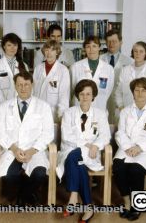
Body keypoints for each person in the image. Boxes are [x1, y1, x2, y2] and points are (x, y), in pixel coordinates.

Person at [56, 79, 110, 223]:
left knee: (76, 159)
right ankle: (88, 206)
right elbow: (67, 136)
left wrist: (96, 145)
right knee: (75, 157)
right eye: (82, 94)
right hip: (71, 149)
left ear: (93, 96)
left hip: (91, 154)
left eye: (88, 94)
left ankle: (73, 198)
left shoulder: (100, 114)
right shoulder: (69, 113)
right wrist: (87, 145)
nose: (85, 97)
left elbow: (105, 135)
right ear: (77, 96)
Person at [0, 72, 54, 205]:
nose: (23, 88)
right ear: (15, 86)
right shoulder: (5, 107)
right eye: (20, 85)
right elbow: (0, 132)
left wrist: (32, 150)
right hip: (13, 150)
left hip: (34, 150)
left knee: (40, 174)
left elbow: (48, 133)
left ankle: (24, 194)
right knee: (10, 175)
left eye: (26, 84)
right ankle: (25, 193)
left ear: (32, 85)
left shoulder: (43, 106)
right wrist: (15, 149)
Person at [113, 77, 146, 221]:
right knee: (118, 167)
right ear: (132, 92)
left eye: (144, 90)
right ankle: (127, 200)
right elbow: (120, 132)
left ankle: (137, 205)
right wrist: (129, 147)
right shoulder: (125, 112)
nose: (140, 93)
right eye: (137, 90)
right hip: (126, 148)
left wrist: (140, 147)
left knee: (135, 169)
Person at [70, 35, 114, 111]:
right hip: (79, 108)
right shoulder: (75, 67)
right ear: (84, 49)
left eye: (94, 46)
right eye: (88, 46)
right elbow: (72, 89)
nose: (91, 50)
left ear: (99, 47)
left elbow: (108, 91)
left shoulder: (109, 69)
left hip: (99, 108)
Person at [115, 41, 146, 111]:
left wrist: (141, 111)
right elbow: (118, 92)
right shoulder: (124, 70)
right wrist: (121, 107)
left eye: (141, 51)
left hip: (145, 114)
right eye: (135, 51)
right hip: (126, 111)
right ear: (132, 53)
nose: (138, 54)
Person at [33, 39, 70, 122]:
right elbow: (33, 91)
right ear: (43, 52)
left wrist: (61, 117)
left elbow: (64, 96)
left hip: (53, 114)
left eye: (52, 50)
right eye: (46, 50)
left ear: (57, 52)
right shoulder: (38, 69)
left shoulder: (63, 70)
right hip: (37, 112)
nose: (49, 53)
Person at [100, 30, 133, 123]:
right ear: (105, 43)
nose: (111, 44)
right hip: (103, 96)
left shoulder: (129, 61)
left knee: (118, 124)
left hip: (121, 98)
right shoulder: (99, 59)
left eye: (114, 41)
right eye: (109, 41)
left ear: (120, 42)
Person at [0, 33, 28, 114]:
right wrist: (7, 107)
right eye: (9, 45)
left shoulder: (24, 66)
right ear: (4, 46)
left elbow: (28, 88)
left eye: (15, 45)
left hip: (19, 108)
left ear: (18, 47)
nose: (12, 48)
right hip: (1, 108)